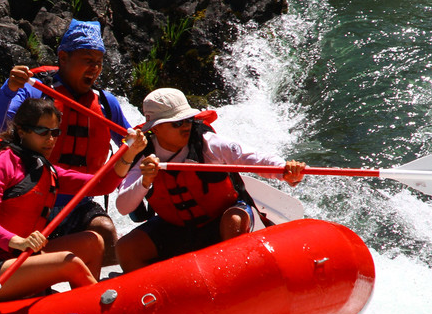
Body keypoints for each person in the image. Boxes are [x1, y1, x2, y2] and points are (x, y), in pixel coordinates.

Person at [0, 97, 147, 302]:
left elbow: (101, 185)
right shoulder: (0, 163)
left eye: (55, 133)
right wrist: (19, 241)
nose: (51, 140)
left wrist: (129, 153)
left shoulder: (43, 167)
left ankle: (80, 313)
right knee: (69, 263)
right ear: (22, 131)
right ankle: (98, 307)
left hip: (19, 258)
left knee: (93, 241)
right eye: (42, 132)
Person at [0, 19, 133, 266]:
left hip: (77, 200)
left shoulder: (106, 102)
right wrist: (9, 89)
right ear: (63, 58)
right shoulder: (34, 91)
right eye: (87, 60)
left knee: (104, 229)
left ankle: (103, 295)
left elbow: (131, 146)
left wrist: (142, 150)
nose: (95, 69)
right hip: (31, 199)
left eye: (99, 62)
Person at [114, 88, 306, 273]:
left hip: (221, 219)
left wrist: (285, 170)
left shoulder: (207, 143)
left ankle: (237, 278)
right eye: (176, 123)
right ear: (155, 128)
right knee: (126, 248)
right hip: (178, 229)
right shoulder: (142, 157)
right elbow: (123, 207)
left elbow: (251, 157)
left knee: (234, 220)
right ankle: (160, 297)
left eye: (187, 120)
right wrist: (145, 181)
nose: (186, 127)